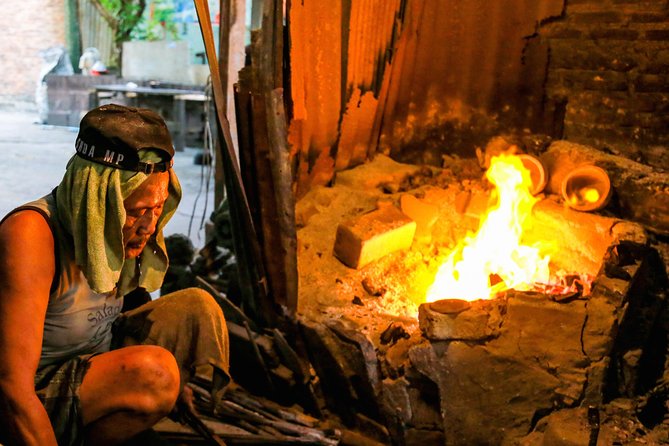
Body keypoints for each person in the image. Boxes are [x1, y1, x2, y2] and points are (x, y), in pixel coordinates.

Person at [0, 104, 230, 445]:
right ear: (96, 201)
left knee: (195, 307)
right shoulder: (31, 234)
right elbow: (10, 387)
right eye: (138, 211)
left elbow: (134, 299)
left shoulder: (130, 228)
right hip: (34, 391)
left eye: (157, 208)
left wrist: (178, 379)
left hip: (90, 365)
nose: (150, 226)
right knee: (155, 374)